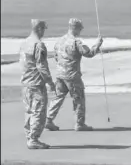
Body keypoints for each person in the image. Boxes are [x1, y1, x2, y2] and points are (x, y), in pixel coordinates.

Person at [45, 18, 103, 131]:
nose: (81, 30)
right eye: (80, 28)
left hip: (60, 74)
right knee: (79, 99)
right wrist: (98, 44)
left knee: (58, 97)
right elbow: (89, 53)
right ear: (75, 28)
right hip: (72, 76)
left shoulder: (60, 40)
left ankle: (48, 119)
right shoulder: (76, 42)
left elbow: (56, 57)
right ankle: (79, 123)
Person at [20, 19, 56, 149]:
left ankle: (29, 136)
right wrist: (50, 82)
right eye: (43, 29)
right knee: (39, 111)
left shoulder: (24, 43)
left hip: (26, 83)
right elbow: (41, 66)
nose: (44, 32)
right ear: (39, 29)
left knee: (29, 110)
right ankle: (33, 139)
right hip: (36, 83)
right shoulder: (38, 45)